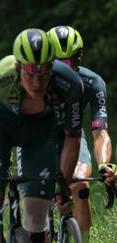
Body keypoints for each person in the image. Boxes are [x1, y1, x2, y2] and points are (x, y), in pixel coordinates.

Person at [0, 28, 86, 243]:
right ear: (18, 67)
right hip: (1, 129)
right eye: (30, 74)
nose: (37, 83)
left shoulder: (70, 83)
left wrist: (64, 186)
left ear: (52, 66)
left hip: (40, 133)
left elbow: (72, 137)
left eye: (44, 74)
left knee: (38, 212)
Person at [48, 25, 115, 243]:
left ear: (81, 57)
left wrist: (104, 164)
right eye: (58, 63)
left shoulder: (93, 83)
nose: (65, 70)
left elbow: (100, 133)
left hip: (73, 138)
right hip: (37, 139)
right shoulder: (31, 80)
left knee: (81, 185)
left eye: (71, 62)